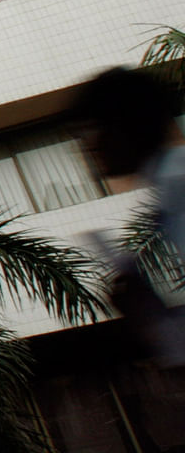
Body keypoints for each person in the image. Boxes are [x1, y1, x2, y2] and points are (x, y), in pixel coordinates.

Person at [69, 65, 185, 365]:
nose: (86, 145)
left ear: (122, 127)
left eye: (90, 128)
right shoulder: (169, 185)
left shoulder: (178, 185)